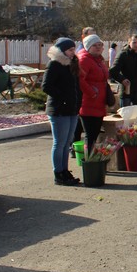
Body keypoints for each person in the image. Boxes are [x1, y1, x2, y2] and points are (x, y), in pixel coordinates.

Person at [41, 37, 81, 186]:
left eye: (73, 49)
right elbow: (46, 86)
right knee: (59, 143)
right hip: (59, 110)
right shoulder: (54, 65)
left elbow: (77, 87)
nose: (73, 52)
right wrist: (63, 98)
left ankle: (65, 170)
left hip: (72, 109)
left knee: (67, 143)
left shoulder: (72, 64)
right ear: (62, 51)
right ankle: (58, 172)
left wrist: (78, 102)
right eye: (70, 50)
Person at [77, 34, 109, 160]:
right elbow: (80, 80)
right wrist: (92, 92)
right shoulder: (84, 60)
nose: (98, 47)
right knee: (90, 134)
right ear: (88, 47)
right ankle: (89, 160)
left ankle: (92, 158)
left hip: (99, 102)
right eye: (94, 45)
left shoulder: (99, 60)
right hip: (88, 103)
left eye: (100, 45)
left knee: (95, 134)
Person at [109, 35, 137, 108]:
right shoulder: (123, 54)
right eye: (134, 42)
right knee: (125, 115)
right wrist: (122, 79)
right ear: (129, 42)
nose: (136, 45)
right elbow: (113, 71)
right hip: (126, 92)